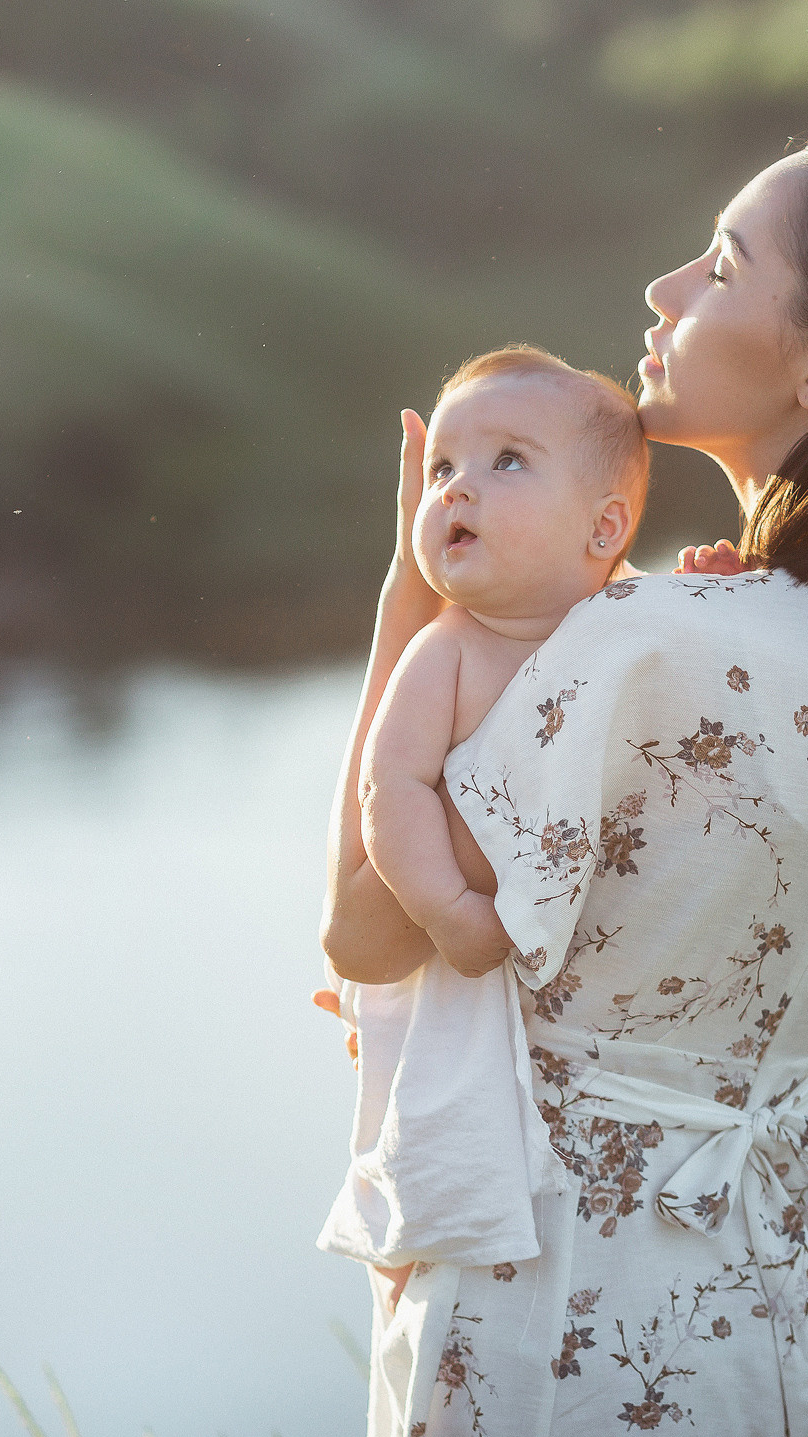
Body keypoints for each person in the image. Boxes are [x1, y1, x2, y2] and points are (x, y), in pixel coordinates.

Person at [319, 135, 808, 1437]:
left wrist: (413, 613)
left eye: (722, 265)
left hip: (563, 1297)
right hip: (800, 1290)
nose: (665, 288)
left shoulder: (645, 645)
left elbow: (367, 932)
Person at [316, 346, 648, 1301]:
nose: (458, 487)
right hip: (465, 954)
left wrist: (710, 573)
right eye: (442, 469)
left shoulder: (633, 616)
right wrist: (452, 905)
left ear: (605, 529)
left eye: (507, 460)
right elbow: (394, 791)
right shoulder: (446, 653)